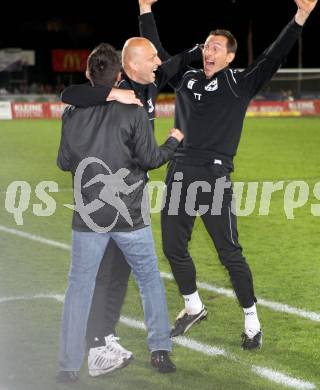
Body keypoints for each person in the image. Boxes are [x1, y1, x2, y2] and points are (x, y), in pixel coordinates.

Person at [139, 0, 318, 349]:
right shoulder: (187, 78)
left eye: (216, 48)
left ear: (229, 57)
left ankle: (252, 321)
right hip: (178, 172)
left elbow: (273, 56)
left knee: (229, 252)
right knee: (173, 247)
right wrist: (145, 9)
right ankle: (193, 306)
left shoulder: (240, 82)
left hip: (213, 176)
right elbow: (158, 57)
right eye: (206, 46)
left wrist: (300, 17)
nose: (208, 51)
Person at [61, 35, 201, 374]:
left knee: (88, 283)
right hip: (129, 210)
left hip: (89, 212)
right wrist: (174, 141)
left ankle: (73, 362)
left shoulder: (74, 112)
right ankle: (143, 348)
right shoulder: (131, 107)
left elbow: (66, 159)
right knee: (138, 278)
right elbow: (151, 158)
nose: (157, 62)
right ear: (123, 72)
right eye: (151, 57)